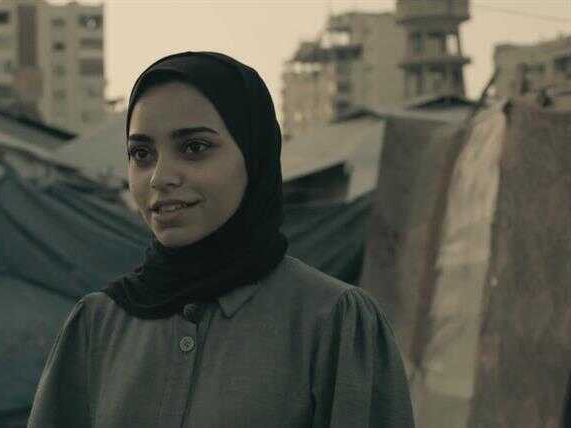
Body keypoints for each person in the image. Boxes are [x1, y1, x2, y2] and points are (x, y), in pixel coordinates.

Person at [28, 52, 414, 427]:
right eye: (141, 153)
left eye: (194, 148)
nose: (160, 177)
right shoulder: (97, 326)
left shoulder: (334, 325)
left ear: (253, 155)